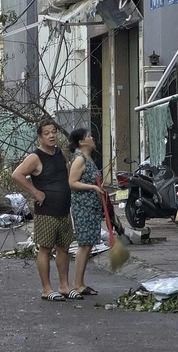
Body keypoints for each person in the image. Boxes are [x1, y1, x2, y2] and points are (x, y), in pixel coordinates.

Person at [12, 119, 73, 301]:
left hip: (63, 209)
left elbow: (66, 173)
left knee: (64, 248)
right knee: (45, 249)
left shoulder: (59, 153)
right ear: (40, 136)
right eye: (46, 133)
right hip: (46, 212)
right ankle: (47, 289)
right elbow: (16, 175)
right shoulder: (35, 157)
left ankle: (64, 286)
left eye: (53, 131)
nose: (51, 135)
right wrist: (35, 192)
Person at [67, 127, 104, 298]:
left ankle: (80, 282)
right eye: (89, 136)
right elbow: (72, 182)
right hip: (83, 207)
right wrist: (92, 187)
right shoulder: (79, 159)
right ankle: (76, 284)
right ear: (81, 142)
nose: (92, 138)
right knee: (84, 245)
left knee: (88, 244)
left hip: (92, 207)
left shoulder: (88, 158)